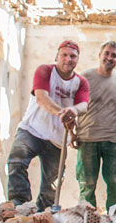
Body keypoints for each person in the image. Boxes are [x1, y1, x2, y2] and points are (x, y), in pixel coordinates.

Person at [7, 40, 89, 211]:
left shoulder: (80, 82)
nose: (68, 59)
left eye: (73, 56)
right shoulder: (45, 71)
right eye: (64, 55)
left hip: (57, 139)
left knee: (53, 183)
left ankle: (43, 213)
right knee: (16, 160)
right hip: (32, 130)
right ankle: (21, 204)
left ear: (77, 59)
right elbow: (41, 98)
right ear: (57, 56)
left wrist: (72, 111)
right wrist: (61, 112)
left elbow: (84, 105)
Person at [75, 41, 116, 210]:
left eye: (114, 55)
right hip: (87, 139)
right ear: (99, 55)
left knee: (115, 183)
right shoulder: (83, 78)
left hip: (113, 141)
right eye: (106, 53)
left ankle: (115, 217)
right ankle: (87, 218)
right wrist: (71, 132)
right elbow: (71, 105)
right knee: (87, 184)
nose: (109, 57)